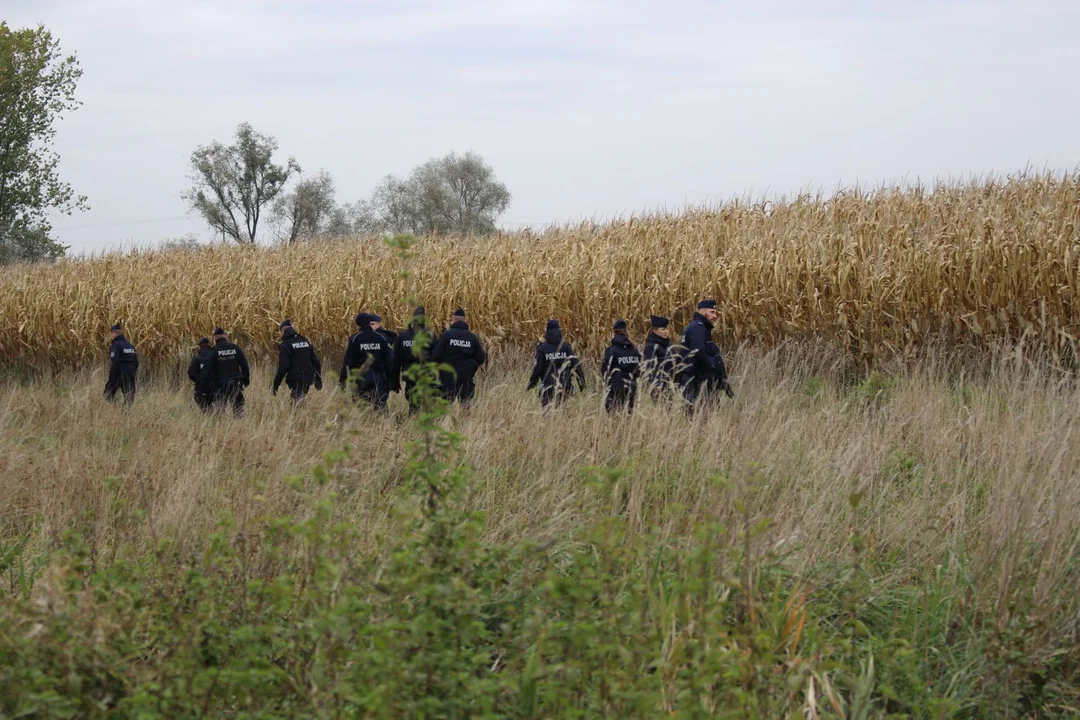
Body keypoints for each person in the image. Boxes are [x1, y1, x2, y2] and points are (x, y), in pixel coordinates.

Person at [678, 300, 734, 413]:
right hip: (696, 381)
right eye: (712, 312)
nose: (715, 316)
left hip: (697, 380)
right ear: (702, 311)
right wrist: (713, 366)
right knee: (700, 416)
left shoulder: (699, 328)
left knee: (705, 414)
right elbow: (698, 352)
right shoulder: (697, 328)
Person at [430, 308, 487, 406]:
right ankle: (466, 421)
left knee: (446, 404)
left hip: (447, 377)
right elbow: (481, 358)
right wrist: (471, 366)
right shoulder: (472, 337)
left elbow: (435, 355)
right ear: (465, 321)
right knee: (465, 404)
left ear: (453, 320)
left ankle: (445, 421)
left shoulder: (446, 335)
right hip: (466, 377)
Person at [339, 312, 395, 411]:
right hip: (378, 377)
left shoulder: (355, 338)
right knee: (380, 406)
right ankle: (384, 425)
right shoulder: (381, 338)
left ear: (358, 324)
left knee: (360, 407)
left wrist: (342, 381)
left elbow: (348, 362)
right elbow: (389, 360)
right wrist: (393, 380)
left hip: (360, 378)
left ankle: (364, 425)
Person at [527, 318, 586, 408]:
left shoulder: (542, 348)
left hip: (547, 387)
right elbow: (576, 365)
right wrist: (581, 383)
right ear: (559, 331)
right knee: (563, 415)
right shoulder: (566, 347)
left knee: (547, 415)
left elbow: (537, 369)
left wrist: (532, 384)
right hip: (565, 386)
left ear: (547, 331)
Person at [201, 327, 251, 417]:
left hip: (221, 386)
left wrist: (204, 387)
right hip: (236, 383)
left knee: (220, 411)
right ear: (225, 336)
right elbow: (244, 366)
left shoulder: (213, 352)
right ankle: (242, 427)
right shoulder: (236, 349)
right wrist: (246, 381)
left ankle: (221, 428)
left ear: (215, 338)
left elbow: (207, 371)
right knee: (238, 408)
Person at [393, 306, 435, 412]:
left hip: (410, 375)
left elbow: (396, 360)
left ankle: (412, 424)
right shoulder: (430, 335)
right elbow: (436, 357)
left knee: (412, 402)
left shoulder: (403, 337)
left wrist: (395, 381)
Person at [272, 318, 323, 403]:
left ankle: (300, 415)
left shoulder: (285, 345)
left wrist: (276, 384)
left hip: (295, 379)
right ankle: (301, 415)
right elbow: (315, 361)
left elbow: (283, 367)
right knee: (300, 398)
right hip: (308, 377)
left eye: (280, 332)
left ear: (283, 330)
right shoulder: (305, 341)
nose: (280, 335)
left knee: (297, 403)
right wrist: (318, 378)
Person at [601, 318, 641, 415]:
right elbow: (639, 369)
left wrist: (607, 381)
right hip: (631, 388)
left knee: (615, 416)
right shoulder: (634, 350)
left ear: (614, 332)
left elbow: (605, 370)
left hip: (616, 388)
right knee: (628, 416)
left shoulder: (611, 350)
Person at [642, 315, 676, 403]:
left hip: (670, 384)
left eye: (667, 329)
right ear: (655, 330)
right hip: (659, 386)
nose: (666, 332)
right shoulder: (651, 347)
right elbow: (650, 368)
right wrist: (657, 386)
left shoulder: (669, 344)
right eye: (663, 329)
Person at [104, 322, 138, 406]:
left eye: (111, 333)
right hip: (130, 373)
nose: (111, 336)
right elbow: (136, 362)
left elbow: (115, 361)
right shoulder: (130, 346)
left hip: (119, 373)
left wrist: (112, 377)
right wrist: (132, 372)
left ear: (115, 333)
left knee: (107, 394)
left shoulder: (116, 345)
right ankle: (126, 412)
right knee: (129, 394)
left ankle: (118, 408)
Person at [187, 337, 213, 411]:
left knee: (204, 409)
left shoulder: (196, 358)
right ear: (209, 345)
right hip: (213, 388)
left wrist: (199, 379)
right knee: (212, 409)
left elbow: (191, 373)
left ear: (200, 346)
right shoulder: (214, 357)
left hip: (200, 388)